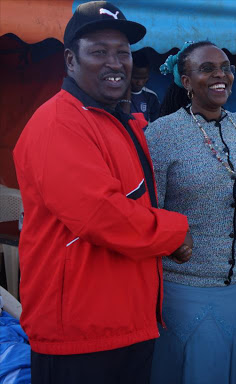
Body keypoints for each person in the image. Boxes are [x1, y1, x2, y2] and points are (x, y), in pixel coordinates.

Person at [13, 2, 192, 383]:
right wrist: (174, 232)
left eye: (122, 52)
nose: (116, 63)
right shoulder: (58, 123)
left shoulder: (115, 119)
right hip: (81, 337)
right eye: (98, 51)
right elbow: (102, 215)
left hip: (122, 325)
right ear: (70, 60)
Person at [145, 41, 236, 384]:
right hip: (186, 287)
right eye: (207, 68)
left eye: (226, 67)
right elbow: (145, 212)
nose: (221, 75)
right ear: (186, 82)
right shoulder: (162, 133)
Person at [130, 50, 160, 123]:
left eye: (144, 78)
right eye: (136, 78)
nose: (140, 83)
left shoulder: (151, 96)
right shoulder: (118, 95)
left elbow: (156, 123)